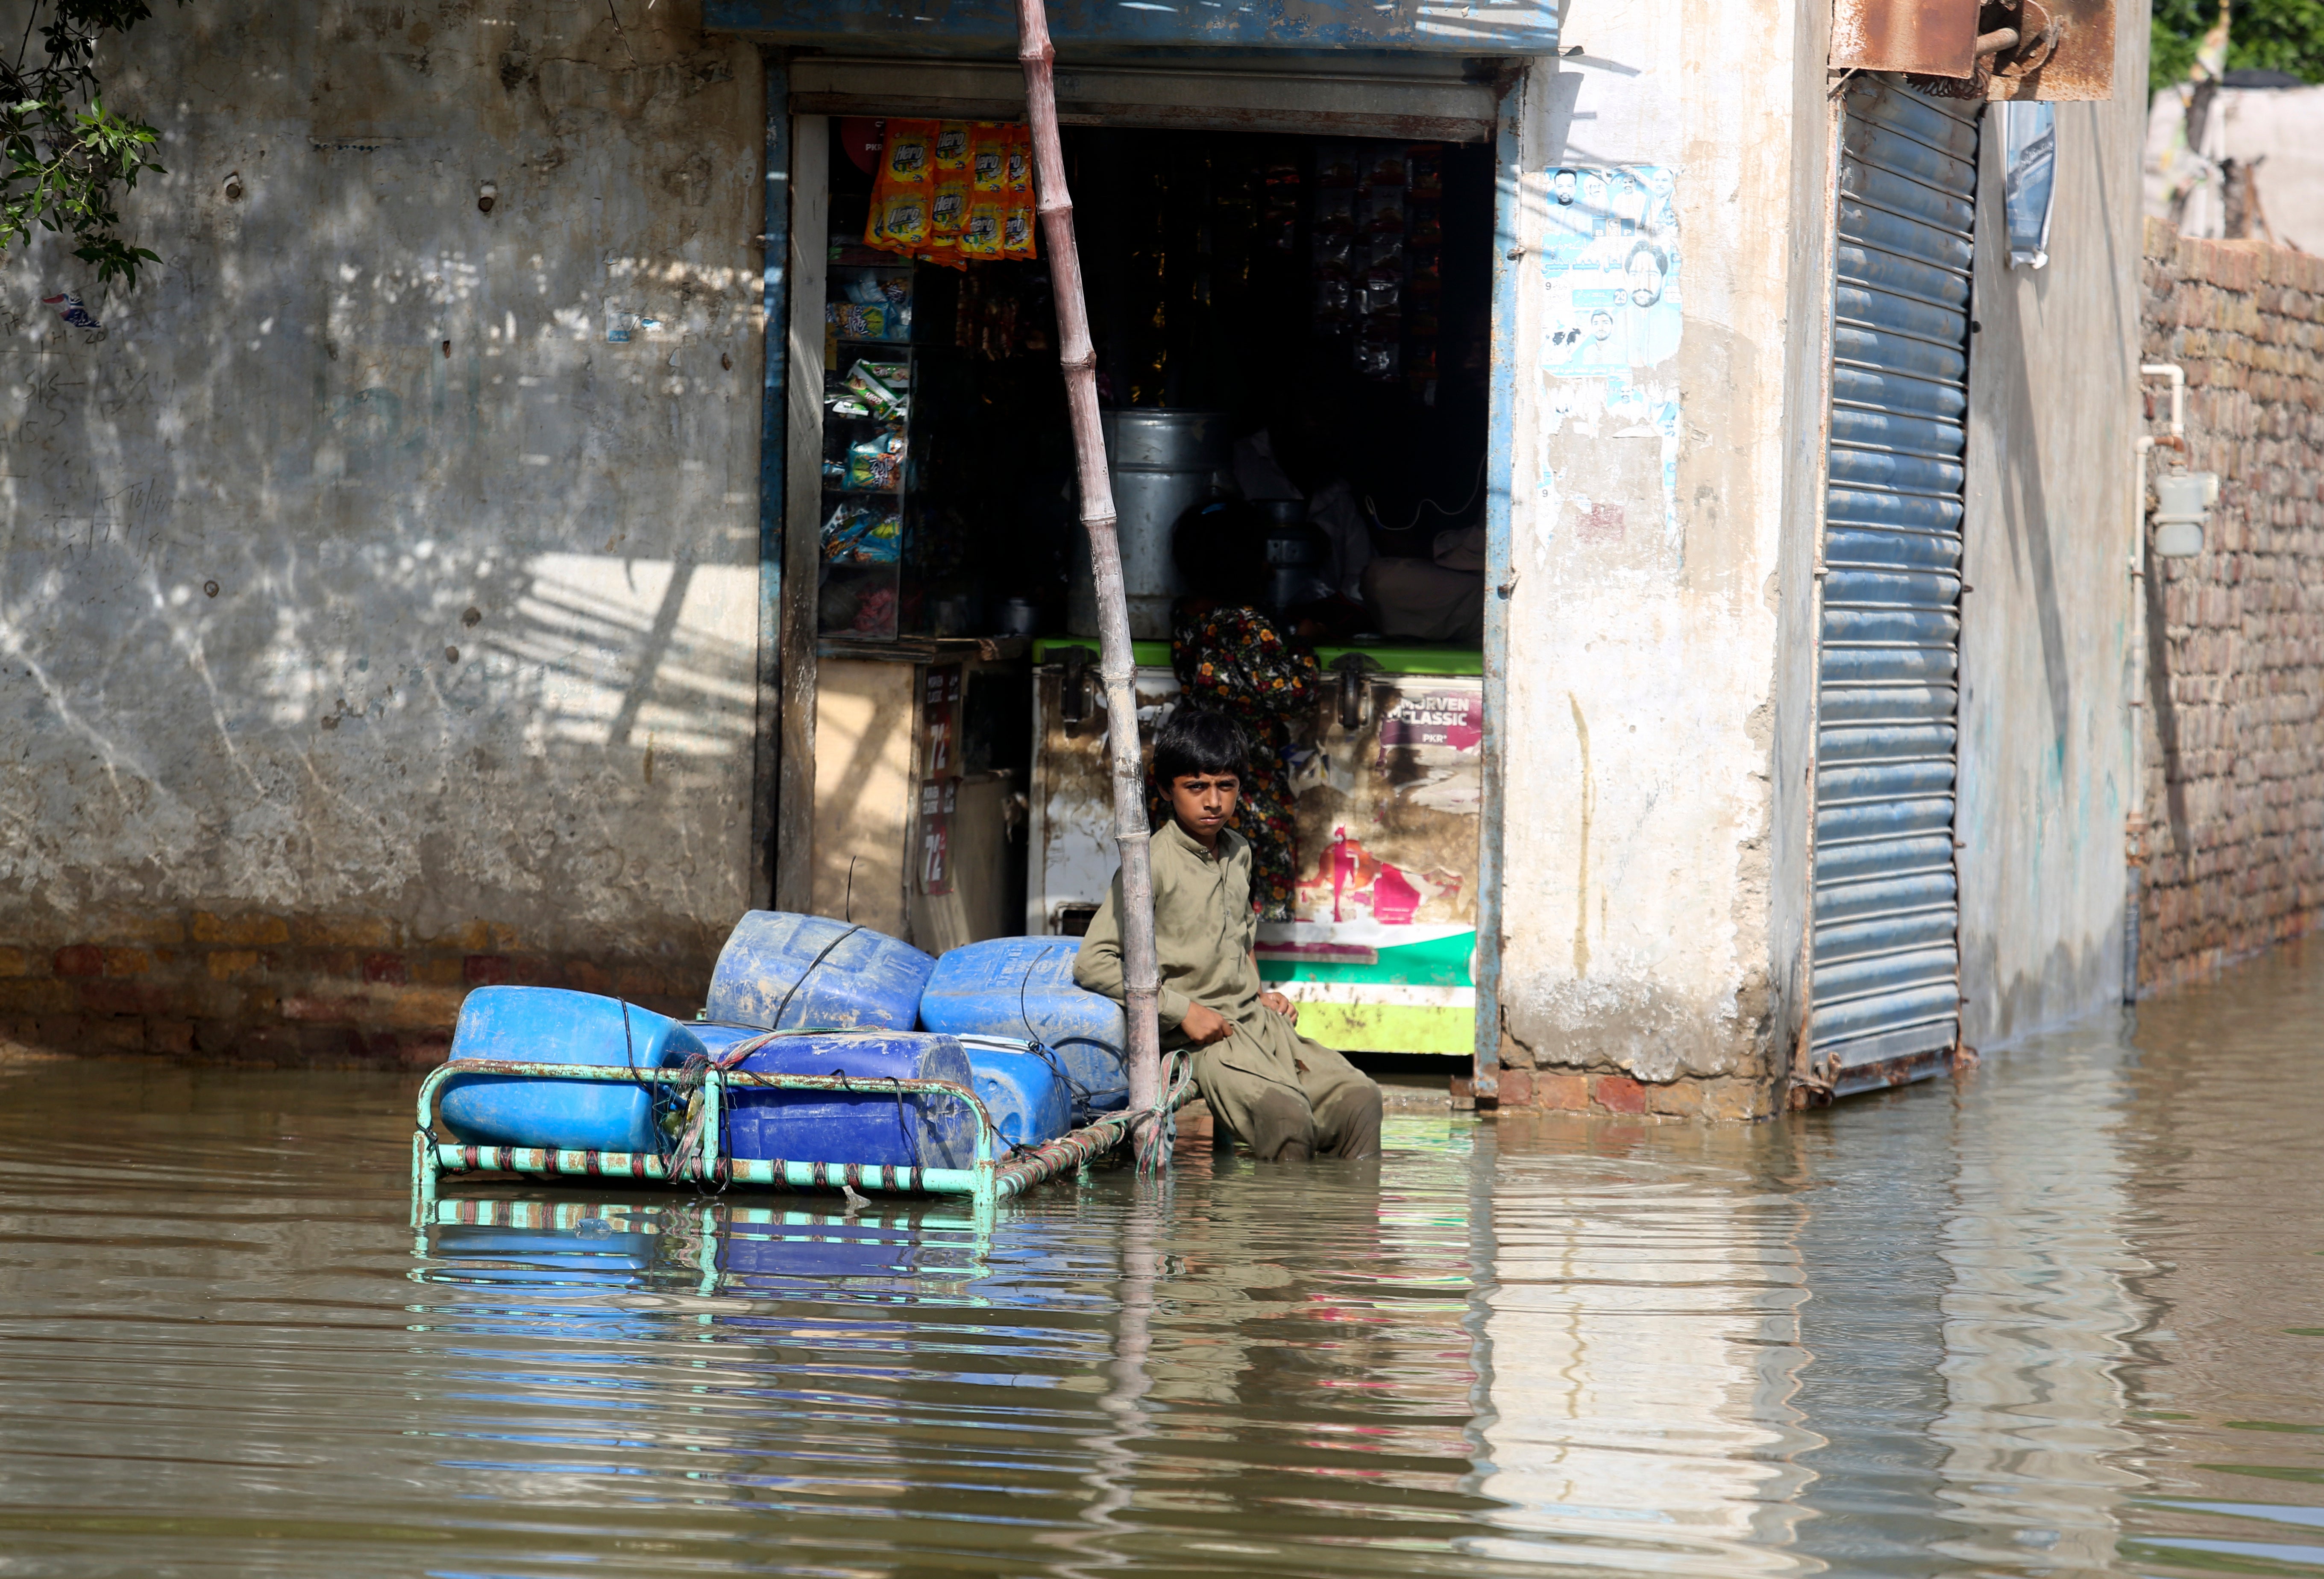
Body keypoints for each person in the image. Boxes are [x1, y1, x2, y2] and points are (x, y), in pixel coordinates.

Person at [1075, 709, 1383, 1162]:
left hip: (1259, 1026)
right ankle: (1273, 1231)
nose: (1213, 802)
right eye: (1196, 787)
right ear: (1165, 789)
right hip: (1202, 1042)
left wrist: (1260, 993)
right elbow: (1093, 963)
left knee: (1361, 1101)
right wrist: (1183, 1011)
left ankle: (1335, 1230)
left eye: (1226, 786)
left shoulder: (1239, 851)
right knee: (1285, 1120)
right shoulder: (1149, 864)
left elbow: (1240, 936)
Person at [1167, 499, 1321, 919]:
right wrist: (1304, 643)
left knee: (1201, 880)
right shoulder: (1247, 625)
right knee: (1242, 879)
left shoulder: (1187, 614)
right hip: (1242, 770)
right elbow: (1290, 695)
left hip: (1196, 755)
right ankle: (1238, 974)